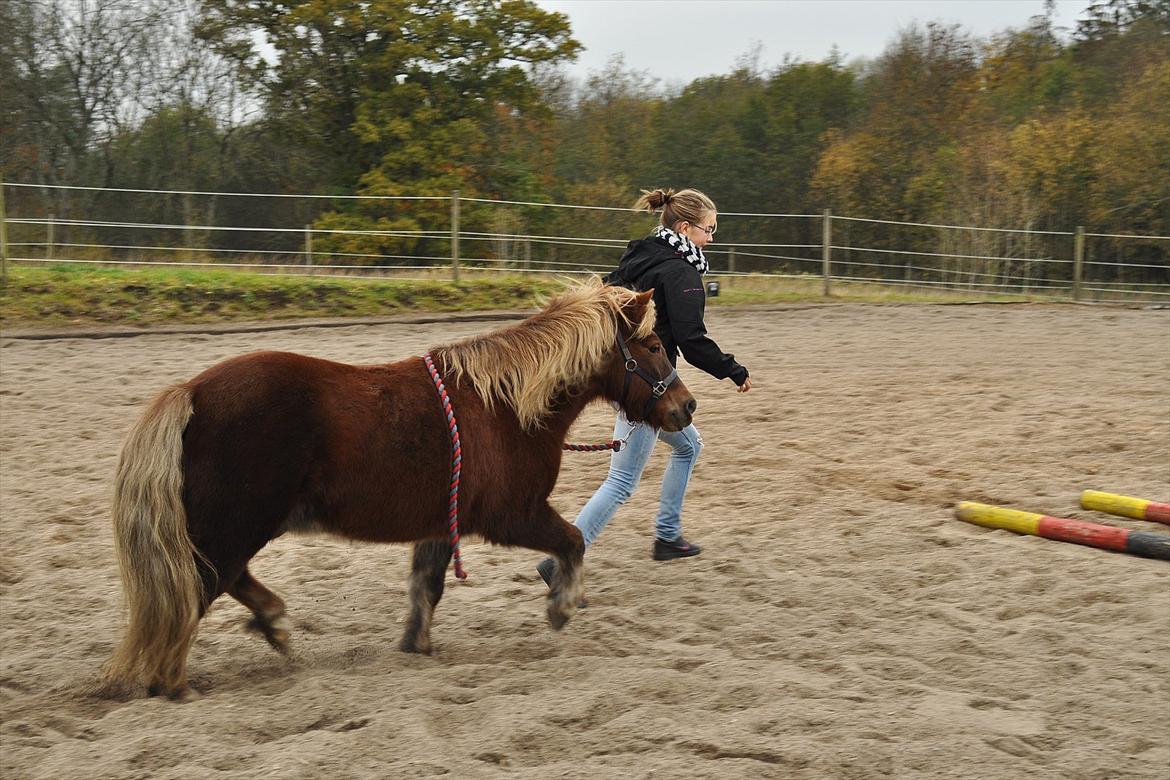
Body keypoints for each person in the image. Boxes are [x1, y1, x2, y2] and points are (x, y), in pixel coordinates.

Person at [538, 187, 752, 589]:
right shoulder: (681, 273)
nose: (711, 238)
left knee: (689, 447)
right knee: (621, 482)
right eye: (708, 229)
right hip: (647, 389)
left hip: (625, 376)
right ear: (685, 228)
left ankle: (667, 536)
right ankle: (561, 562)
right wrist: (733, 370)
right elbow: (691, 339)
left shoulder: (641, 253)